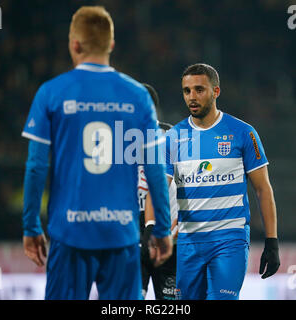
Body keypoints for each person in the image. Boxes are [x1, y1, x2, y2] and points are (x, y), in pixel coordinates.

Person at [21, 6, 172, 300]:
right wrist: (162, 227)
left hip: (70, 232)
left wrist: (30, 225)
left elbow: (36, 166)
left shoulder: (52, 92)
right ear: (111, 45)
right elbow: (154, 167)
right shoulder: (138, 96)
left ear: (74, 44)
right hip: (121, 234)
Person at [161, 63, 280, 300]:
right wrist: (157, 229)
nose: (192, 97)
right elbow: (161, 189)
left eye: (199, 89)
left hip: (229, 239)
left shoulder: (243, 133)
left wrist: (272, 241)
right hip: (189, 242)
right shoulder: (173, 137)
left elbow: (262, 189)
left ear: (216, 92)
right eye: (187, 91)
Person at [138, 83, 178, 300]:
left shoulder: (173, 137)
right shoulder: (115, 140)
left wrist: (179, 223)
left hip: (166, 233)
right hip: (130, 235)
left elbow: (190, 185)